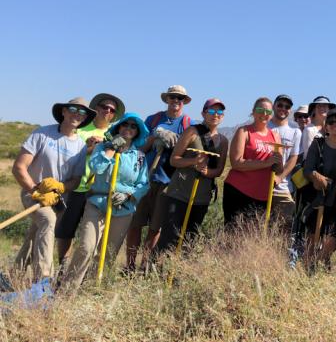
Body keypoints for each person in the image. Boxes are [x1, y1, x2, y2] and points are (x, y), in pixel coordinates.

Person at [59, 113, 149, 291]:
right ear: (118, 128)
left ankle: (92, 289)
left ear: (137, 132)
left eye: (133, 126)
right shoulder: (102, 147)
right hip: (98, 203)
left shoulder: (139, 156)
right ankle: (67, 289)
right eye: (125, 125)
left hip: (123, 208)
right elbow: (96, 167)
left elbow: (143, 183)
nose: (128, 128)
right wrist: (111, 149)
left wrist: (128, 194)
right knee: (86, 247)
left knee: (108, 253)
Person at [12, 98, 93, 280]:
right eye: (73, 109)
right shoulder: (42, 134)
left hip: (56, 199)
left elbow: (76, 179)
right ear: (63, 111)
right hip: (32, 191)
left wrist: (62, 187)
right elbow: (19, 167)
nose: (77, 114)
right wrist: (35, 190)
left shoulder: (80, 146)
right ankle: (43, 280)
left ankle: (13, 277)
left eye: (82, 113)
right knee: (48, 221)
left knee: (36, 233)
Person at [55, 93, 125, 271]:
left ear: (114, 114)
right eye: (103, 107)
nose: (107, 111)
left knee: (92, 235)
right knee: (66, 229)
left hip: (99, 190)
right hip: (77, 185)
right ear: (96, 108)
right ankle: (63, 265)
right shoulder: (82, 128)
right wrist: (88, 147)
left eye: (111, 110)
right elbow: (70, 152)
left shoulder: (115, 133)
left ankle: (86, 271)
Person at [126, 85, 192, 272]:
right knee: (135, 224)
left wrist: (177, 140)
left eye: (180, 98)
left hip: (168, 182)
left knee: (156, 228)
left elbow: (187, 150)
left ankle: (144, 266)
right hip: (144, 179)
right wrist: (156, 136)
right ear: (167, 99)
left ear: (184, 102)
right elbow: (140, 148)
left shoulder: (188, 124)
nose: (176, 101)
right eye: (173, 97)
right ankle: (129, 266)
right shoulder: (153, 120)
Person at [155, 98, 229, 254]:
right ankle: (155, 272)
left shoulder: (223, 141)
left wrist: (207, 172)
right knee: (169, 238)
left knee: (189, 240)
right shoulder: (192, 131)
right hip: (179, 194)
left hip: (201, 198)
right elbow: (174, 160)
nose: (215, 115)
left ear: (222, 116)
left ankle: (178, 275)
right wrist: (194, 161)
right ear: (203, 113)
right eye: (211, 111)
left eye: (219, 112)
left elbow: (219, 170)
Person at [223, 98, 284, 226]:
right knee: (234, 234)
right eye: (260, 110)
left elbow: (278, 169)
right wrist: (266, 163)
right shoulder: (244, 131)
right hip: (239, 191)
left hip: (263, 194)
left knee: (254, 236)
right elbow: (236, 162)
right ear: (253, 112)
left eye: (268, 111)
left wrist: (279, 162)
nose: (264, 114)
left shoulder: (275, 136)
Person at [303, 108, 336, 269]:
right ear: (326, 126)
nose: (334, 124)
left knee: (330, 243)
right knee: (312, 241)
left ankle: (320, 269)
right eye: (331, 122)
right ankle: (307, 273)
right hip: (318, 199)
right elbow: (307, 169)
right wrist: (317, 176)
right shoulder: (318, 144)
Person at [267, 95, 302, 228]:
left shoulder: (295, 132)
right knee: (259, 224)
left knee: (283, 227)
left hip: (283, 187)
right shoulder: (265, 126)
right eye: (280, 105)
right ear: (274, 106)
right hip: (261, 185)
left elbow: (293, 158)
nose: (283, 108)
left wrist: (279, 178)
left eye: (287, 107)